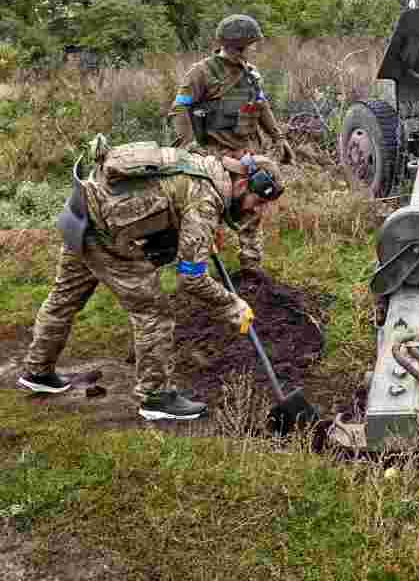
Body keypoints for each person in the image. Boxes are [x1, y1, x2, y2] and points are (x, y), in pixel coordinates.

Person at [17, 136, 286, 421]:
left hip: (83, 207)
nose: (256, 210)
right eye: (258, 201)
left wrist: (201, 235)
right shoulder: (206, 200)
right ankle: (155, 397)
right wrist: (233, 305)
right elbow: (191, 279)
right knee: (154, 313)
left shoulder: (203, 168)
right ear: (242, 184)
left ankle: (38, 371)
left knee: (64, 299)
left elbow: (165, 199)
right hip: (106, 235)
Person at [168, 14, 293, 276]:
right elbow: (179, 109)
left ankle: (251, 269)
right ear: (239, 45)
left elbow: (261, 106)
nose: (255, 49)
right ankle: (197, 272)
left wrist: (278, 137)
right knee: (207, 210)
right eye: (251, 44)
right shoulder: (202, 72)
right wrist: (190, 147)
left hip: (247, 152)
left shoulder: (250, 73)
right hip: (214, 156)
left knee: (252, 207)